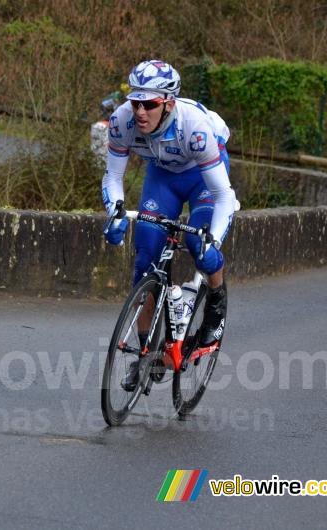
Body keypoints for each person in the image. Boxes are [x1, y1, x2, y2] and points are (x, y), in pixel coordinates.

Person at [100, 59, 236, 391]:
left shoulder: (196, 127)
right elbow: (112, 177)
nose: (140, 111)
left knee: (199, 248)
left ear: (169, 103)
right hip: (162, 178)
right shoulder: (122, 122)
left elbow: (223, 195)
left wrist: (213, 240)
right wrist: (115, 212)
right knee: (146, 259)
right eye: (136, 102)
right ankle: (146, 353)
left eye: (150, 104)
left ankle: (216, 301)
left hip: (202, 178)